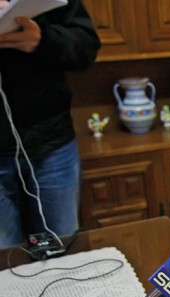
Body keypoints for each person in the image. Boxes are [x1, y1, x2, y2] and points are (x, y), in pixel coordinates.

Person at [0, 0, 100, 249]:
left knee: (63, 249)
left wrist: (43, 40)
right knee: (4, 262)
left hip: (51, 142)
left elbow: (86, 46)